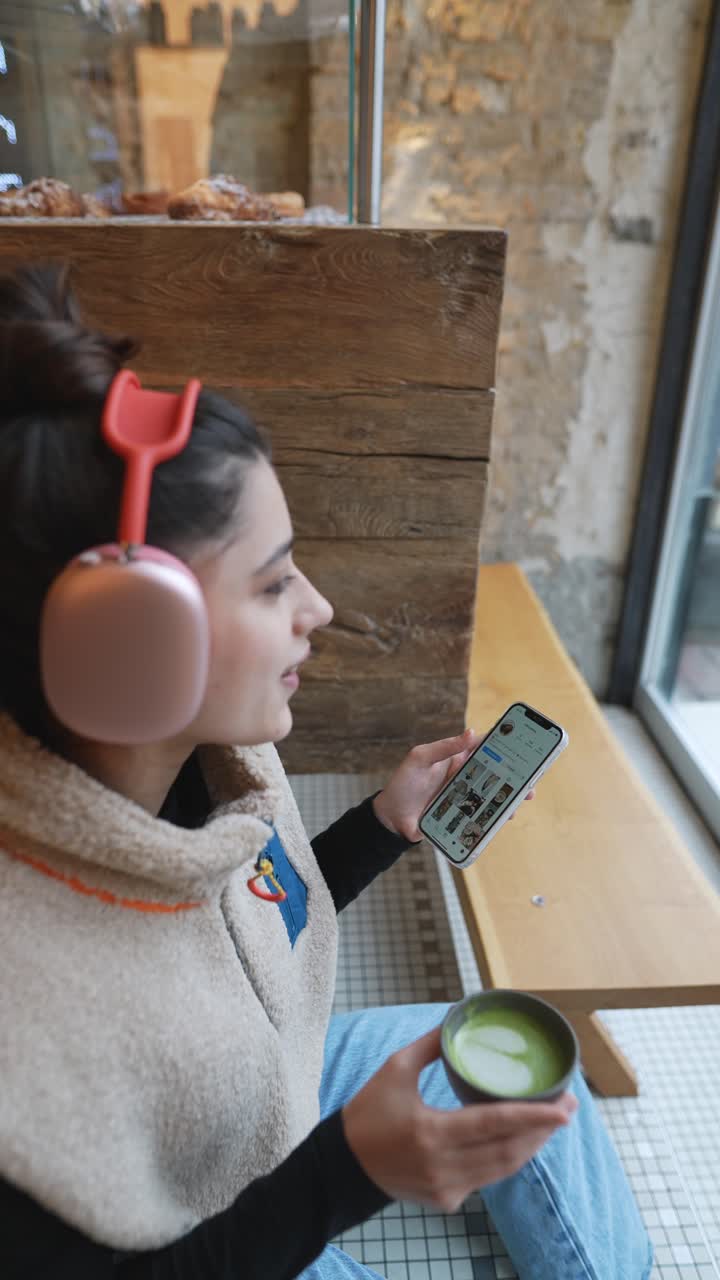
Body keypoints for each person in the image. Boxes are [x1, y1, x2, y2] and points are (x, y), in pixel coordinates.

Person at [0, 266, 653, 1280]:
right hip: (206, 1223)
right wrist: (346, 1172)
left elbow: (228, 924)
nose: (318, 606)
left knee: (519, 1051)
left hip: (255, 1085)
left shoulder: (195, 768)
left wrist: (381, 826)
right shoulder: (24, 1020)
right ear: (133, 641)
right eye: (272, 580)